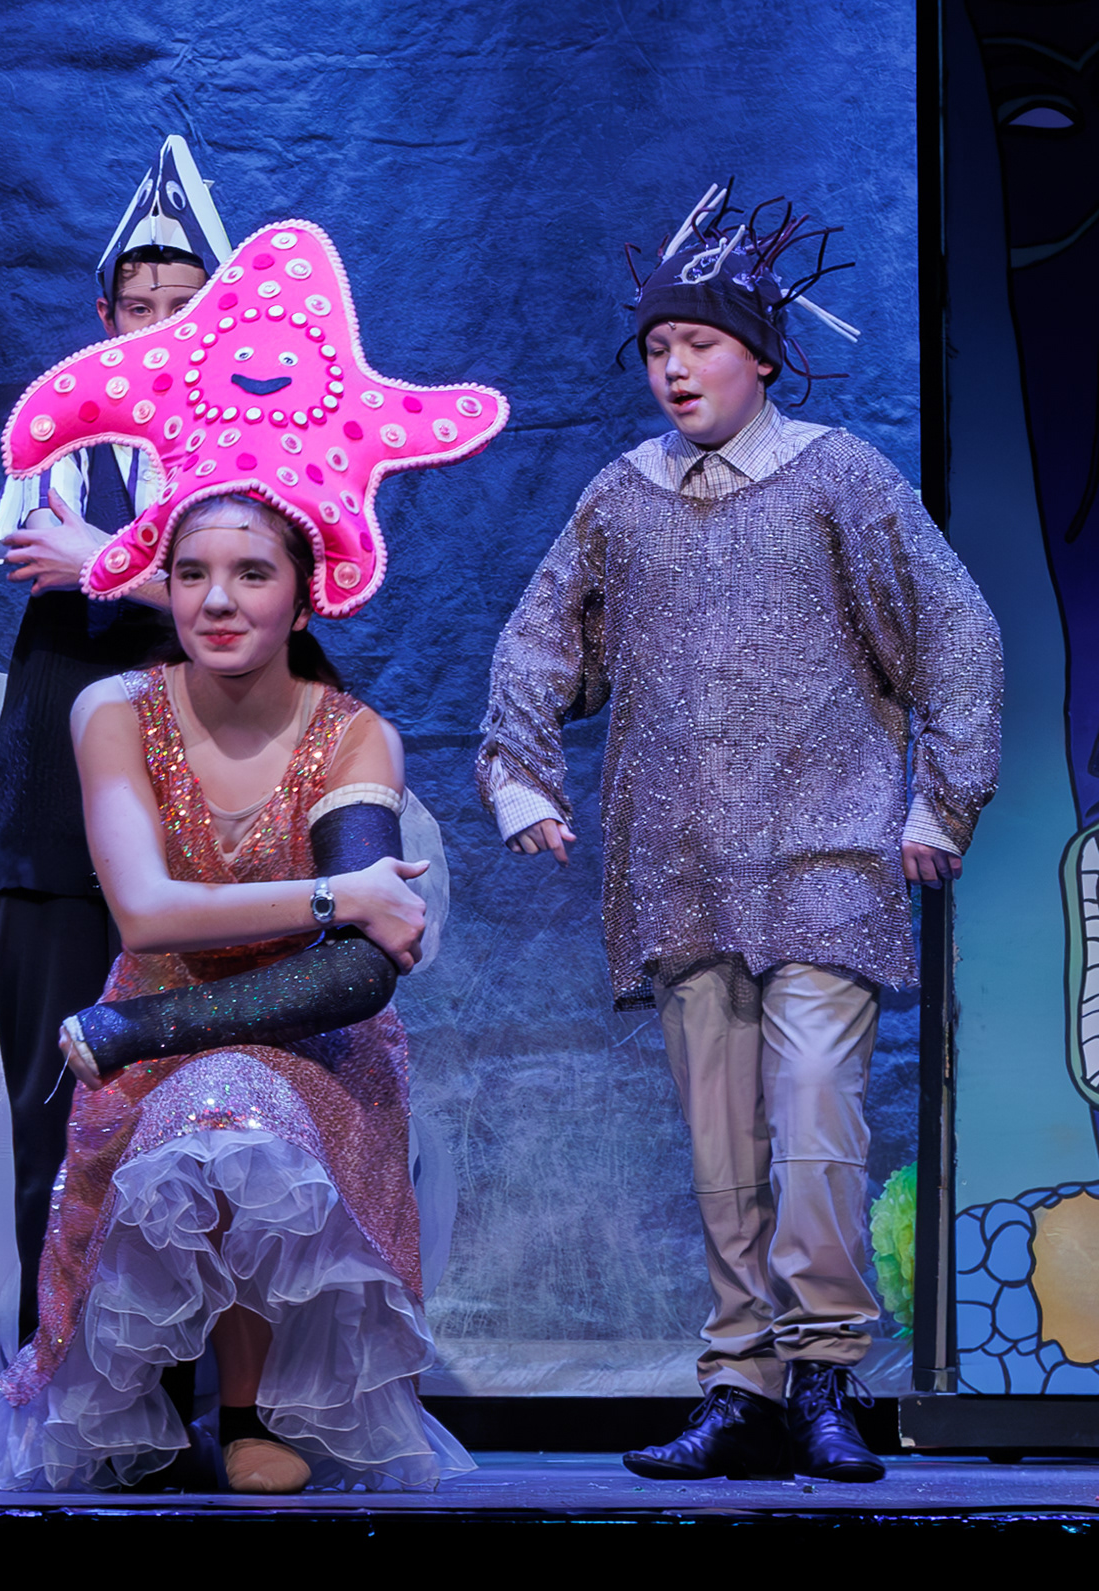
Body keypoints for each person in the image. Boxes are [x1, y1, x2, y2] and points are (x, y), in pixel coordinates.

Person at [478, 188, 1002, 1482]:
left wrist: (941, 798)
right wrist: (521, 775)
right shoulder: (624, 495)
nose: (674, 366)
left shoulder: (838, 478)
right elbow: (543, 638)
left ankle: (824, 1372)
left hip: (826, 856)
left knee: (815, 1116)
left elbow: (954, 633)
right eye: (658, 346)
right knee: (721, 1139)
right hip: (681, 865)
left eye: (699, 343)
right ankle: (741, 1383)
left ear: (760, 354)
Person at [0, 493, 472, 1492]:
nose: (217, 600)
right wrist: (337, 895)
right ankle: (146, 1402)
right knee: (205, 1095)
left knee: (239, 1093)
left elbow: (359, 968)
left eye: (251, 574)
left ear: (302, 601)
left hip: (303, 1033)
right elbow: (144, 913)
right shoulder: (115, 708)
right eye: (191, 575)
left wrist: (138, 1027)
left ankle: (249, 1412)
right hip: (157, 1027)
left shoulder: (353, 735)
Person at [0, 135, 231, 1343]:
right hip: (57, 792)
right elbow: (35, 551)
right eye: (138, 308)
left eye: (184, 307)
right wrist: (146, 569)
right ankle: (56, 1372)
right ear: (104, 316)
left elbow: (259, 595)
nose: (158, 328)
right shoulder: (60, 432)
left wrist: (113, 563)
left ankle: (184, 1386)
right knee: (53, 1098)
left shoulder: (250, 430)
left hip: (205, 785)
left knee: (192, 1098)